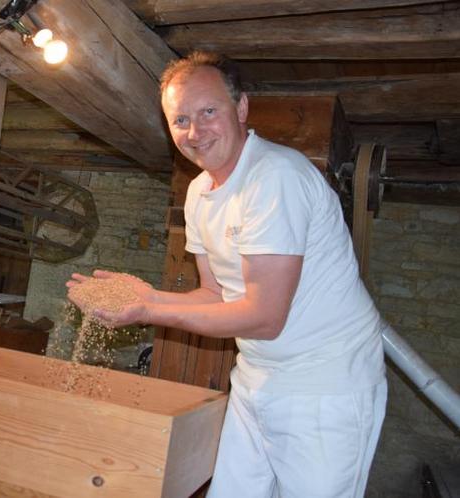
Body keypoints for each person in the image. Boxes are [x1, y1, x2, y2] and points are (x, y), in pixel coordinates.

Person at [67, 51, 386, 498]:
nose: (195, 132)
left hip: (324, 385)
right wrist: (149, 298)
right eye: (180, 120)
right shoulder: (200, 192)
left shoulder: (274, 177)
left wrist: (152, 310)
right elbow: (215, 295)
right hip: (256, 377)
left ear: (241, 109)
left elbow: (264, 316)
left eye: (208, 112)